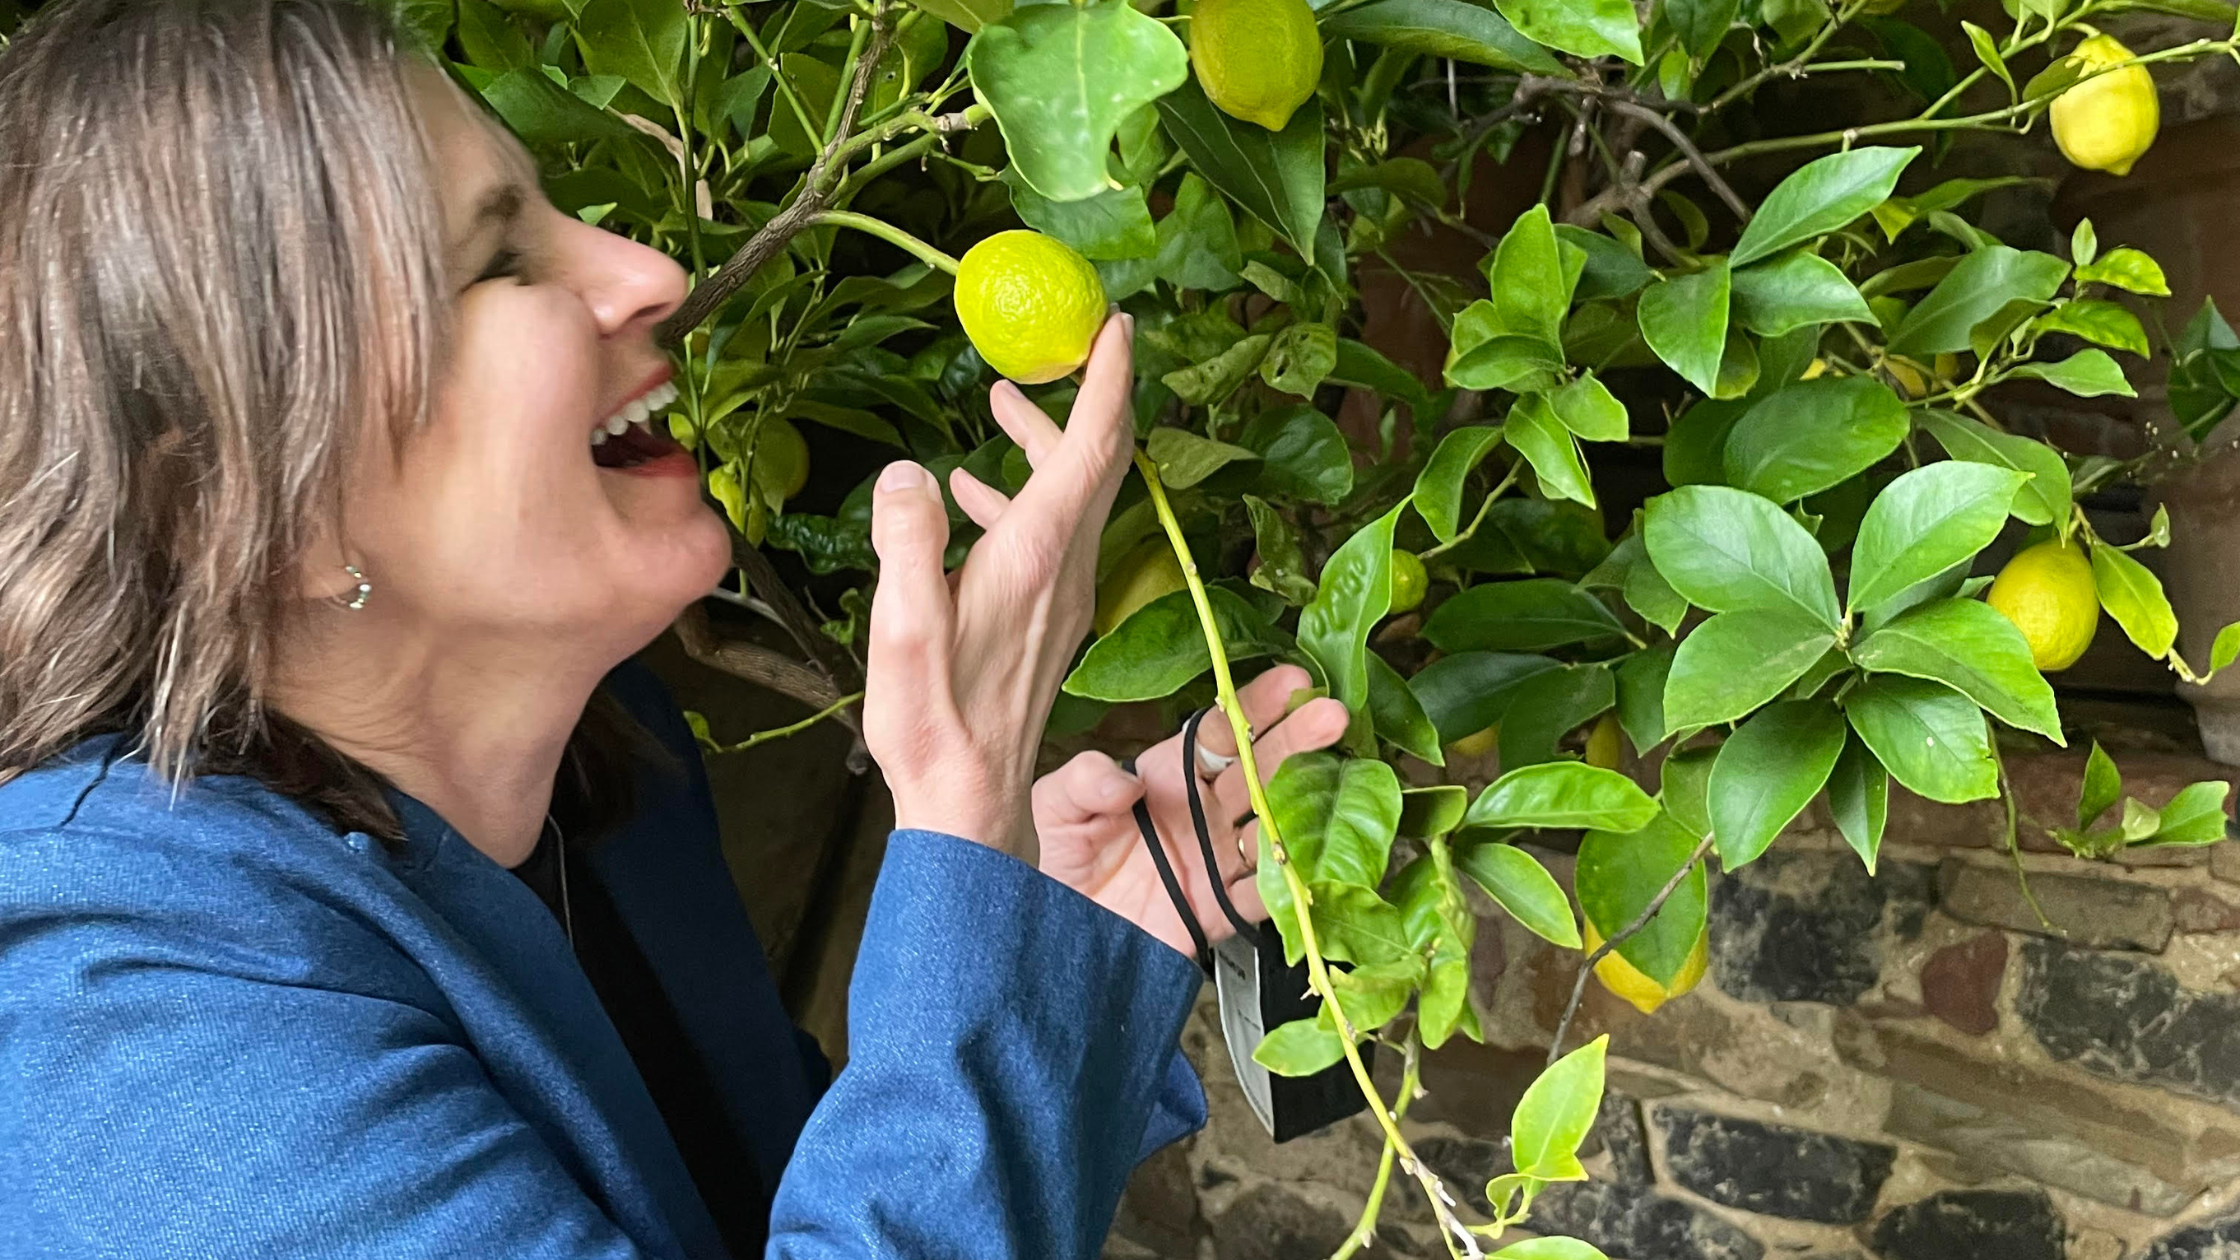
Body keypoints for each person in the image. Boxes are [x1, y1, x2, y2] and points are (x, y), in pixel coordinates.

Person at [0, 0, 1352, 1255]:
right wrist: (960, 816)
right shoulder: (133, 1054)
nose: (647, 271)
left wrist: (1020, 940)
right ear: (249, 502)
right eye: (499, 261)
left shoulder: (604, 765)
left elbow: (758, 1201)